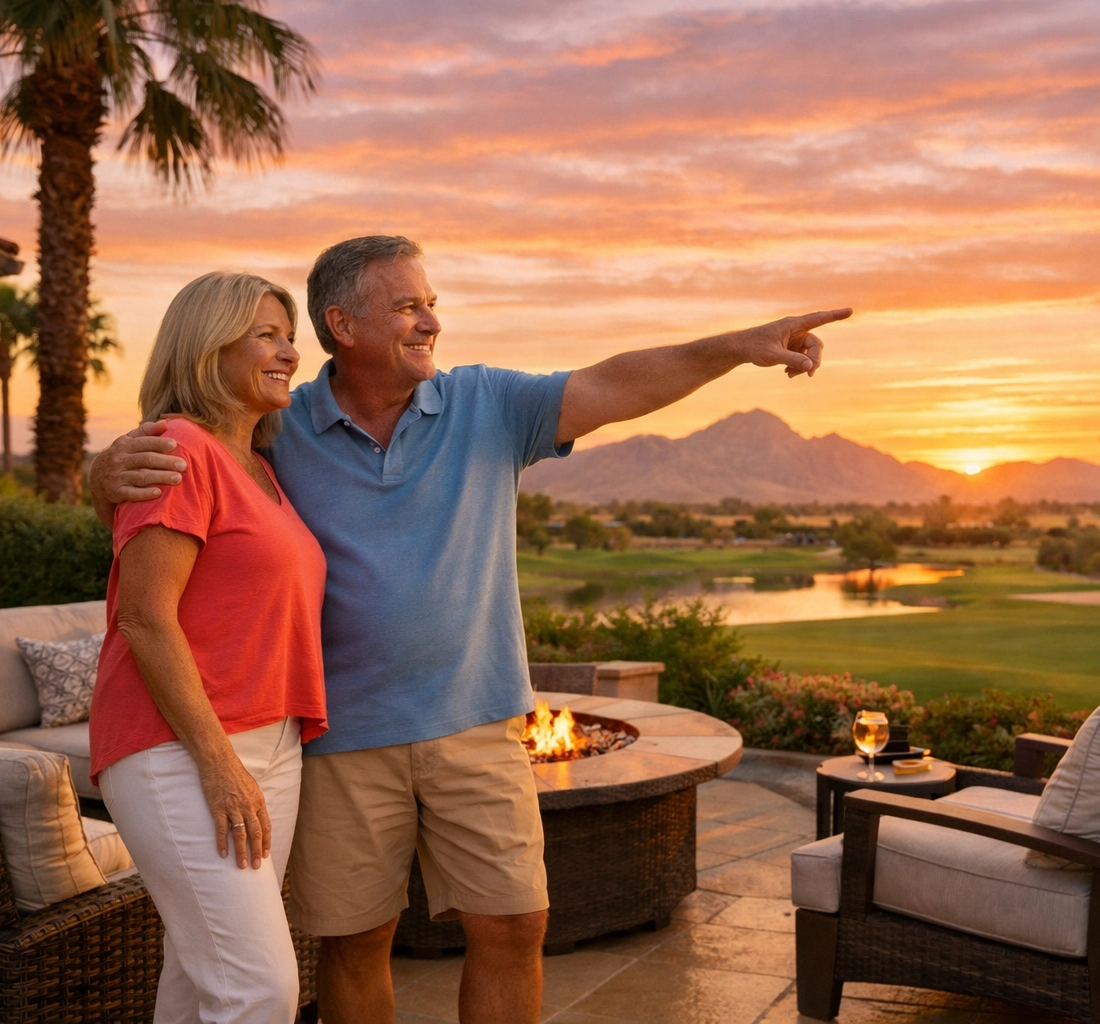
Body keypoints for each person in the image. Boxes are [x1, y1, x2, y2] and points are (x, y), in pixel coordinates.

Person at [91, 235, 849, 1024]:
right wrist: (101, 476)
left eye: (432, 305)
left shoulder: (486, 404)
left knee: (515, 922)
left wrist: (735, 347)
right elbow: (180, 471)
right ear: (343, 324)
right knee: (353, 941)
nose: (431, 323)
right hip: (341, 736)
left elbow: (615, 383)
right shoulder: (281, 421)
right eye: (409, 305)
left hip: (477, 722)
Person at [89, 271, 329, 1024]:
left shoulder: (259, 466)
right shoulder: (179, 448)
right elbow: (145, 619)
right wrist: (219, 762)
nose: (290, 351)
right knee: (257, 989)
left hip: (272, 740)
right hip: (183, 747)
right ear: (206, 345)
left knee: (202, 979)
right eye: (267, 333)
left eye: (290, 335)